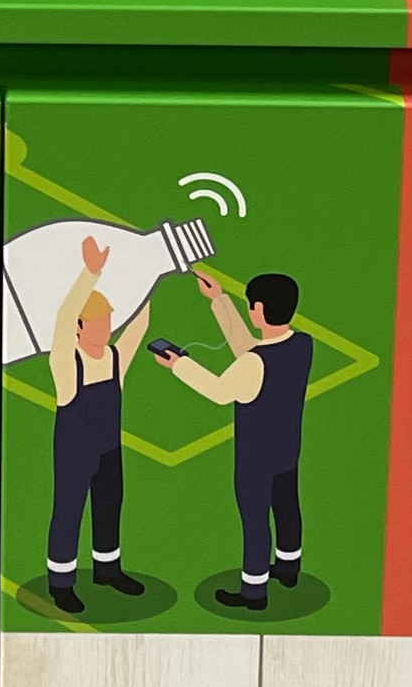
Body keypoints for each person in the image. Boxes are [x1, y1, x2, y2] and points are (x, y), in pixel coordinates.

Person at [154, 267, 311, 617]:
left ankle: (254, 590)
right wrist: (219, 300)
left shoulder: (255, 363)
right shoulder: (302, 344)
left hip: (256, 457)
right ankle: (288, 567)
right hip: (287, 449)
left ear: (258, 309)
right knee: (287, 506)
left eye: (250, 306)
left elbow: (220, 391)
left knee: (255, 519)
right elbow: (251, 350)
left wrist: (179, 365)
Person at [43, 236, 151, 614]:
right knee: (68, 510)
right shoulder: (65, 362)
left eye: (108, 321)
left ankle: (108, 570)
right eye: (99, 322)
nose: (107, 327)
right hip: (74, 453)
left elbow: (139, 325)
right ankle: (61, 583)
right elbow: (62, 318)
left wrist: (150, 272)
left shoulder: (115, 357)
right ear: (79, 326)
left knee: (109, 506)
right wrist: (91, 273)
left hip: (108, 451)